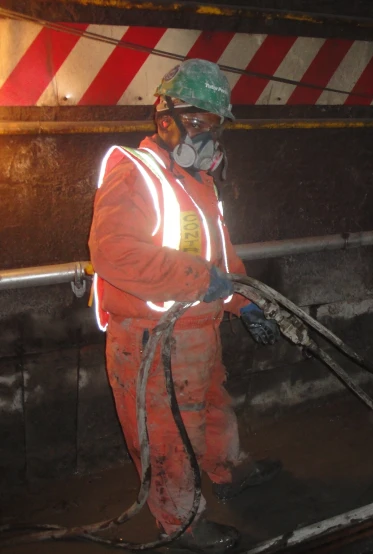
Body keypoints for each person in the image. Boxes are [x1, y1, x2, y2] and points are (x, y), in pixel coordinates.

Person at [89, 59, 281, 552]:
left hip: (199, 331)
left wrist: (244, 303)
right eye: (197, 123)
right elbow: (114, 252)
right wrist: (202, 279)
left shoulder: (201, 184)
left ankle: (226, 471)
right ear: (165, 118)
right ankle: (180, 523)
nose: (205, 137)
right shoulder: (134, 172)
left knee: (213, 407)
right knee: (170, 435)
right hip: (153, 338)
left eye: (212, 126)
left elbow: (221, 257)